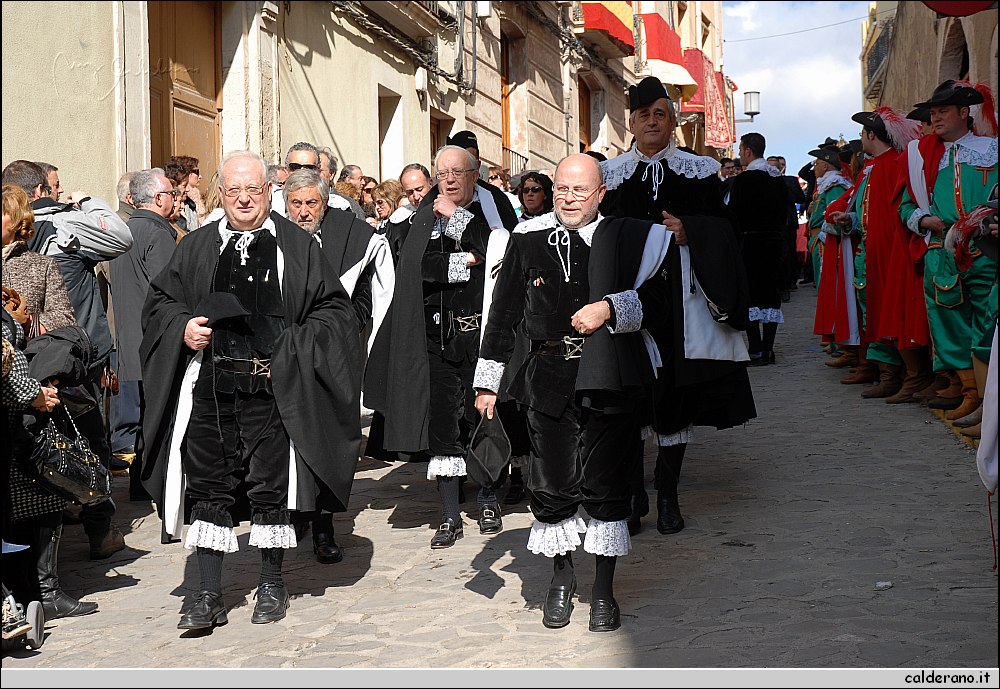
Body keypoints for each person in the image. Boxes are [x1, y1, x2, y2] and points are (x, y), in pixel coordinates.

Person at [139, 150, 363, 629]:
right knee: (208, 488)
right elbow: (161, 303)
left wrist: (294, 348)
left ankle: (271, 584)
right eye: (234, 190)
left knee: (270, 488)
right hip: (211, 389)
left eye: (253, 190)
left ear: (268, 192)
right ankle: (206, 594)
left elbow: (335, 313)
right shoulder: (197, 246)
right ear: (221, 194)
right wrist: (182, 328)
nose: (244, 199)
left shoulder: (296, 247)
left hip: (274, 391)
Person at [474, 153, 675, 631]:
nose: (568, 199)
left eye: (579, 191)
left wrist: (610, 308)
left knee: (608, 487)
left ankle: (603, 590)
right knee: (551, 487)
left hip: (610, 380)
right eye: (562, 189)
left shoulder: (629, 239)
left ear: (600, 193)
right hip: (546, 381)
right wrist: (487, 383)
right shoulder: (526, 239)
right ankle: (562, 580)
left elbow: (662, 301)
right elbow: (502, 314)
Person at [598, 76, 755, 538]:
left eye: (659, 114)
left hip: (678, 305)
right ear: (631, 123)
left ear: (672, 122)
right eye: (643, 115)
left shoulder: (698, 171)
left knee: (672, 399)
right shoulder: (609, 175)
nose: (651, 122)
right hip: (625, 302)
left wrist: (692, 232)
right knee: (628, 396)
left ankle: (667, 494)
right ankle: (634, 496)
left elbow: (729, 231)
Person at [368, 144, 517, 549]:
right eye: (443, 173)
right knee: (443, 426)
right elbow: (418, 266)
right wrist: (465, 262)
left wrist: (458, 219)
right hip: (436, 339)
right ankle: (450, 515)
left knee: (483, 418)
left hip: (483, 339)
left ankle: (488, 499)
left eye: (457, 172)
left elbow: (501, 252)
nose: (449, 180)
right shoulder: (424, 215)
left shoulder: (491, 206)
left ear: (474, 175)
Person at [3, 159, 132, 561]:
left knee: (82, 442)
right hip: (11, 383)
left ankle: (99, 527)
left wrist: (28, 323)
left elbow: (63, 319)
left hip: (53, 370)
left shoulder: (43, 259)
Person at [283, 167, 394, 563]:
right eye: (296, 203)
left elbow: (368, 293)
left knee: (328, 438)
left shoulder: (352, 237)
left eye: (311, 203)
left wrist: (344, 326)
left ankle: (324, 526)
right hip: (286, 357)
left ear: (325, 203)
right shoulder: (274, 237)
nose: (303, 211)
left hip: (334, 356)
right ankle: (295, 513)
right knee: (289, 438)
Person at [899, 80, 998, 427]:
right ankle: (970, 392)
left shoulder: (992, 150)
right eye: (933, 113)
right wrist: (924, 220)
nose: (935, 118)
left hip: (986, 250)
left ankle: (988, 400)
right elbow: (906, 205)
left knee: (988, 323)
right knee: (949, 323)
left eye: (943, 111)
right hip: (942, 252)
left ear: (964, 112)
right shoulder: (922, 157)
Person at [829, 108, 931, 399]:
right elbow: (866, 211)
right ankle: (884, 371)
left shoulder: (893, 165)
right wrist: (850, 219)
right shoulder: (872, 168)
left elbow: (893, 215)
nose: (861, 139)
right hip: (870, 249)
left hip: (888, 252)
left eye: (862, 133)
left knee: (890, 311)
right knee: (872, 310)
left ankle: (900, 374)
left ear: (871, 135)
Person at [108, 169, 179, 502]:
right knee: (159, 416)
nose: (175, 199)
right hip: (154, 339)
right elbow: (168, 290)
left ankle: (142, 484)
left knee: (145, 418)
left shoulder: (124, 231)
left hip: (130, 338)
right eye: (171, 194)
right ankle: (155, 484)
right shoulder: (156, 233)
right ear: (159, 198)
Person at [727, 133, 788, 366]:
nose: (739, 154)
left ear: (748, 151)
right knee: (770, 293)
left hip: (750, 242)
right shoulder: (777, 179)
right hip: (774, 242)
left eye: (741, 150)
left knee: (750, 294)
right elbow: (784, 213)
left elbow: (734, 214)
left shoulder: (744, 180)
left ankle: (755, 348)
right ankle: (769, 349)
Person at [808, 145, 857, 367]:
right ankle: (836, 340)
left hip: (826, 241)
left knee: (832, 291)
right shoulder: (828, 185)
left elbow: (834, 216)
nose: (814, 168)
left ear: (827, 165)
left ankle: (841, 343)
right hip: (820, 240)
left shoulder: (835, 186)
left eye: (817, 164)